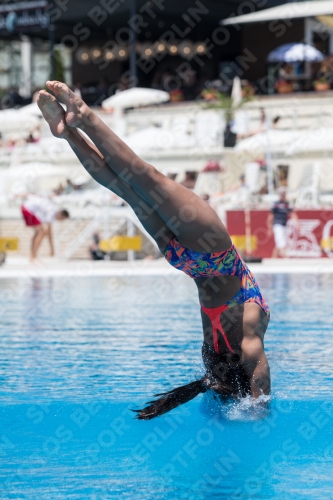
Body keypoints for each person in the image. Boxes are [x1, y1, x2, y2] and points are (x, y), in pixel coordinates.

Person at [37, 81, 271, 419]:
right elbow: (238, 374)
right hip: (182, 259)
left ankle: (84, 116)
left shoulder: (252, 327)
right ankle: (66, 133)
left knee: (147, 177)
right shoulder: (215, 353)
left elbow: (259, 374)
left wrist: (260, 405)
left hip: (212, 252)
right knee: (125, 187)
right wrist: (244, 405)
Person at [21, 194, 69, 261]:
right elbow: (49, 233)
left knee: (39, 233)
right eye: (62, 219)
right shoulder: (52, 212)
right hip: (28, 209)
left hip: (26, 207)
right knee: (41, 232)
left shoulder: (52, 209)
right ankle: (33, 256)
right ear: (60, 214)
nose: (60, 221)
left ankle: (32, 255)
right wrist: (52, 248)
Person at [267, 188, 298, 258]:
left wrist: (297, 223)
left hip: (284, 225)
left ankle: (273, 257)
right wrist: (269, 227)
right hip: (277, 224)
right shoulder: (275, 204)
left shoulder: (287, 204)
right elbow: (270, 217)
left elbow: (292, 214)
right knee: (281, 240)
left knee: (279, 241)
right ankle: (286, 257)